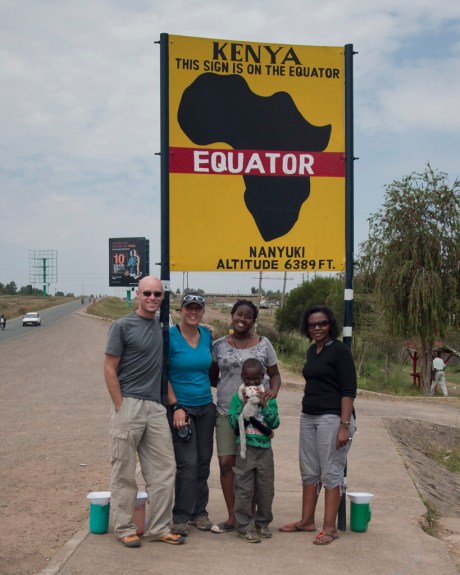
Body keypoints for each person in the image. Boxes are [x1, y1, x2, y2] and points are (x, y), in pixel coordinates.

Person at [103, 276, 184, 548]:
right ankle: (125, 527)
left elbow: (165, 370)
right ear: (137, 294)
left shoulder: (164, 329)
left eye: (157, 294)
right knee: (124, 471)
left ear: (163, 297)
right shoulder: (122, 325)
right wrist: (119, 404)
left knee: (164, 470)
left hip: (155, 408)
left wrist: (174, 404)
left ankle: (159, 527)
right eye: (147, 293)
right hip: (129, 405)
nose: (152, 298)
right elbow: (109, 367)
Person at [279, 304, 356, 545]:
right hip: (309, 416)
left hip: (332, 418)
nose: (317, 328)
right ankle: (306, 520)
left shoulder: (340, 351)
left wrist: (344, 426)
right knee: (309, 470)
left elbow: (348, 391)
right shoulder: (313, 351)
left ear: (330, 324)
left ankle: (330, 528)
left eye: (322, 323)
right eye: (312, 324)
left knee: (331, 471)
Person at [209, 299, 281, 533]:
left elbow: (275, 375)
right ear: (232, 315)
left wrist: (271, 394)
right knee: (226, 462)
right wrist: (230, 392)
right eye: (238, 314)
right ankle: (233, 517)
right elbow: (212, 376)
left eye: (248, 316)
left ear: (253, 321)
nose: (242, 319)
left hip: (257, 416)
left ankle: (248, 517)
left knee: (251, 467)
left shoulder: (264, 344)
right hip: (226, 412)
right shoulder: (219, 345)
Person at [167, 293, 216, 536]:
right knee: (188, 463)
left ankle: (199, 512)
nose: (193, 312)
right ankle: (181, 515)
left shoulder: (207, 335)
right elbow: (162, 374)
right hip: (181, 408)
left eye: (198, 308)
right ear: (181, 310)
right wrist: (175, 406)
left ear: (203, 311)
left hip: (206, 406)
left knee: (204, 462)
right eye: (189, 308)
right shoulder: (170, 336)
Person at [228, 358, 280, 543]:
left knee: (266, 488)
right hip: (245, 449)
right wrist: (243, 407)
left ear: (262, 378)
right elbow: (234, 423)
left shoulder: (269, 398)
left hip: (265, 450)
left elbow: (275, 423)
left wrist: (265, 406)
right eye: (248, 379)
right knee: (243, 488)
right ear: (242, 377)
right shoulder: (237, 398)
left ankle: (262, 522)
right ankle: (244, 526)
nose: (252, 383)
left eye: (256, 379)